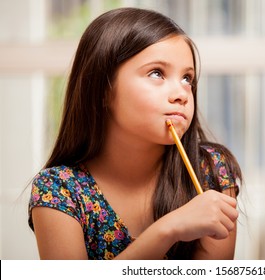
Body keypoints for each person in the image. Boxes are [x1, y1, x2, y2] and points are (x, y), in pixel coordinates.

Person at [28, 7, 242, 260]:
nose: (182, 94)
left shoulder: (209, 170)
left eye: (187, 78)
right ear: (103, 89)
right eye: (157, 73)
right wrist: (167, 230)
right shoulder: (59, 189)